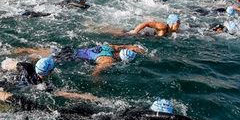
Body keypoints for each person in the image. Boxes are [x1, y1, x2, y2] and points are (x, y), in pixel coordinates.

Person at [16, 43, 145, 76]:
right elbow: (96, 71)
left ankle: (19, 50)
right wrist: (96, 81)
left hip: (73, 50)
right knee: (47, 61)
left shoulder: (109, 48)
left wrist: (132, 47)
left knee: (43, 52)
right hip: (72, 58)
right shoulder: (109, 61)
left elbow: (121, 46)